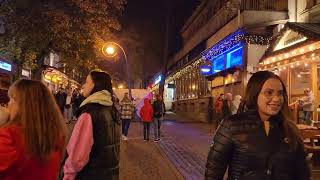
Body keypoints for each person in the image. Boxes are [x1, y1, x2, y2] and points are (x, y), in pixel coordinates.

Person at [205, 71, 310, 180]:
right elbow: (213, 171)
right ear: (255, 94)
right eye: (269, 93)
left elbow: (303, 172)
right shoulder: (231, 125)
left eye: (280, 93)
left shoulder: (290, 129)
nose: (277, 99)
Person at [0, 79, 66, 179]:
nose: (8, 104)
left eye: (12, 99)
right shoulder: (56, 135)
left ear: (24, 105)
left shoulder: (9, 136)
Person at [63, 71, 120, 179]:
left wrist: (67, 176)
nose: (83, 85)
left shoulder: (90, 113)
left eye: (87, 82)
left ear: (95, 85)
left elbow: (77, 158)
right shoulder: (112, 109)